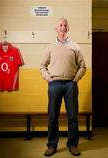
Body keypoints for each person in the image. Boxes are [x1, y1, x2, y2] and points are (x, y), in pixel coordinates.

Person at [39, 18, 86, 156]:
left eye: (65, 25)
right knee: (53, 116)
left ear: (68, 28)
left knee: (73, 117)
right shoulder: (49, 47)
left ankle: (72, 144)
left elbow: (82, 66)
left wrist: (75, 80)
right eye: (60, 25)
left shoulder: (75, 46)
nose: (63, 27)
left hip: (71, 85)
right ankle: (52, 145)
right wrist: (49, 79)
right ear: (56, 29)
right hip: (55, 85)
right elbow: (42, 66)